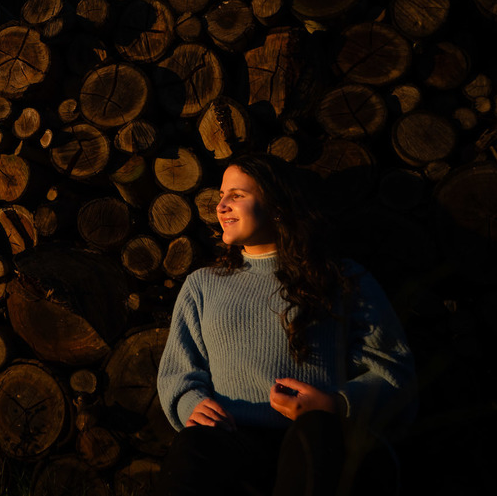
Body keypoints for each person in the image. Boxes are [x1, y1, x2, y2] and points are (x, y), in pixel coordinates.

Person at [156, 153, 416, 496]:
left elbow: (392, 369)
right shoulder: (204, 285)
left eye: (237, 195)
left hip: (318, 440)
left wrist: (334, 406)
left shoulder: (341, 278)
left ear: (277, 207)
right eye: (221, 195)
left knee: (317, 434)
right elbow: (178, 370)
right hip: (234, 441)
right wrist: (190, 403)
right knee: (192, 447)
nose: (221, 206)